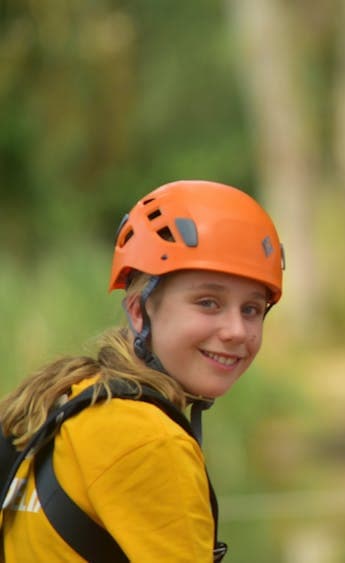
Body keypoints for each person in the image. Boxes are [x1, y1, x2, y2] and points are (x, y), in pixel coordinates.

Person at [0, 180, 284, 562]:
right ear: (138, 311)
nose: (236, 330)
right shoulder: (151, 442)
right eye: (208, 302)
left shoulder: (68, 395)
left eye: (251, 309)